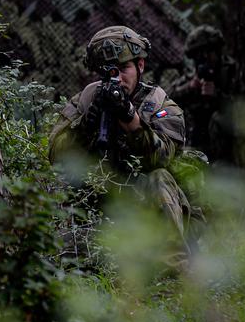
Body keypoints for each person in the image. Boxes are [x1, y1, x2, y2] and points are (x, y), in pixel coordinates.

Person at [49, 25, 197, 261]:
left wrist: (131, 118)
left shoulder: (160, 106)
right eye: (109, 70)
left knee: (159, 177)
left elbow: (162, 157)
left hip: (147, 207)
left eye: (124, 68)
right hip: (101, 206)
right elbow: (56, 154)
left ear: (140, 65)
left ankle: (174, 266)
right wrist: (87, 123)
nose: (117, 76)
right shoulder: (86, 99)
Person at [170, 25, 238, 163]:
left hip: (228, 148)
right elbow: (165, 99)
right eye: (199, 55)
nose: (204, 58)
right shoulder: (193, 76)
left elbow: (244, 108)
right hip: (196, 143)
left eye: (208, 52)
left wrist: (217, 96)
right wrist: (189, 88)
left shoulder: (231, 72)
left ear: (217, 51)